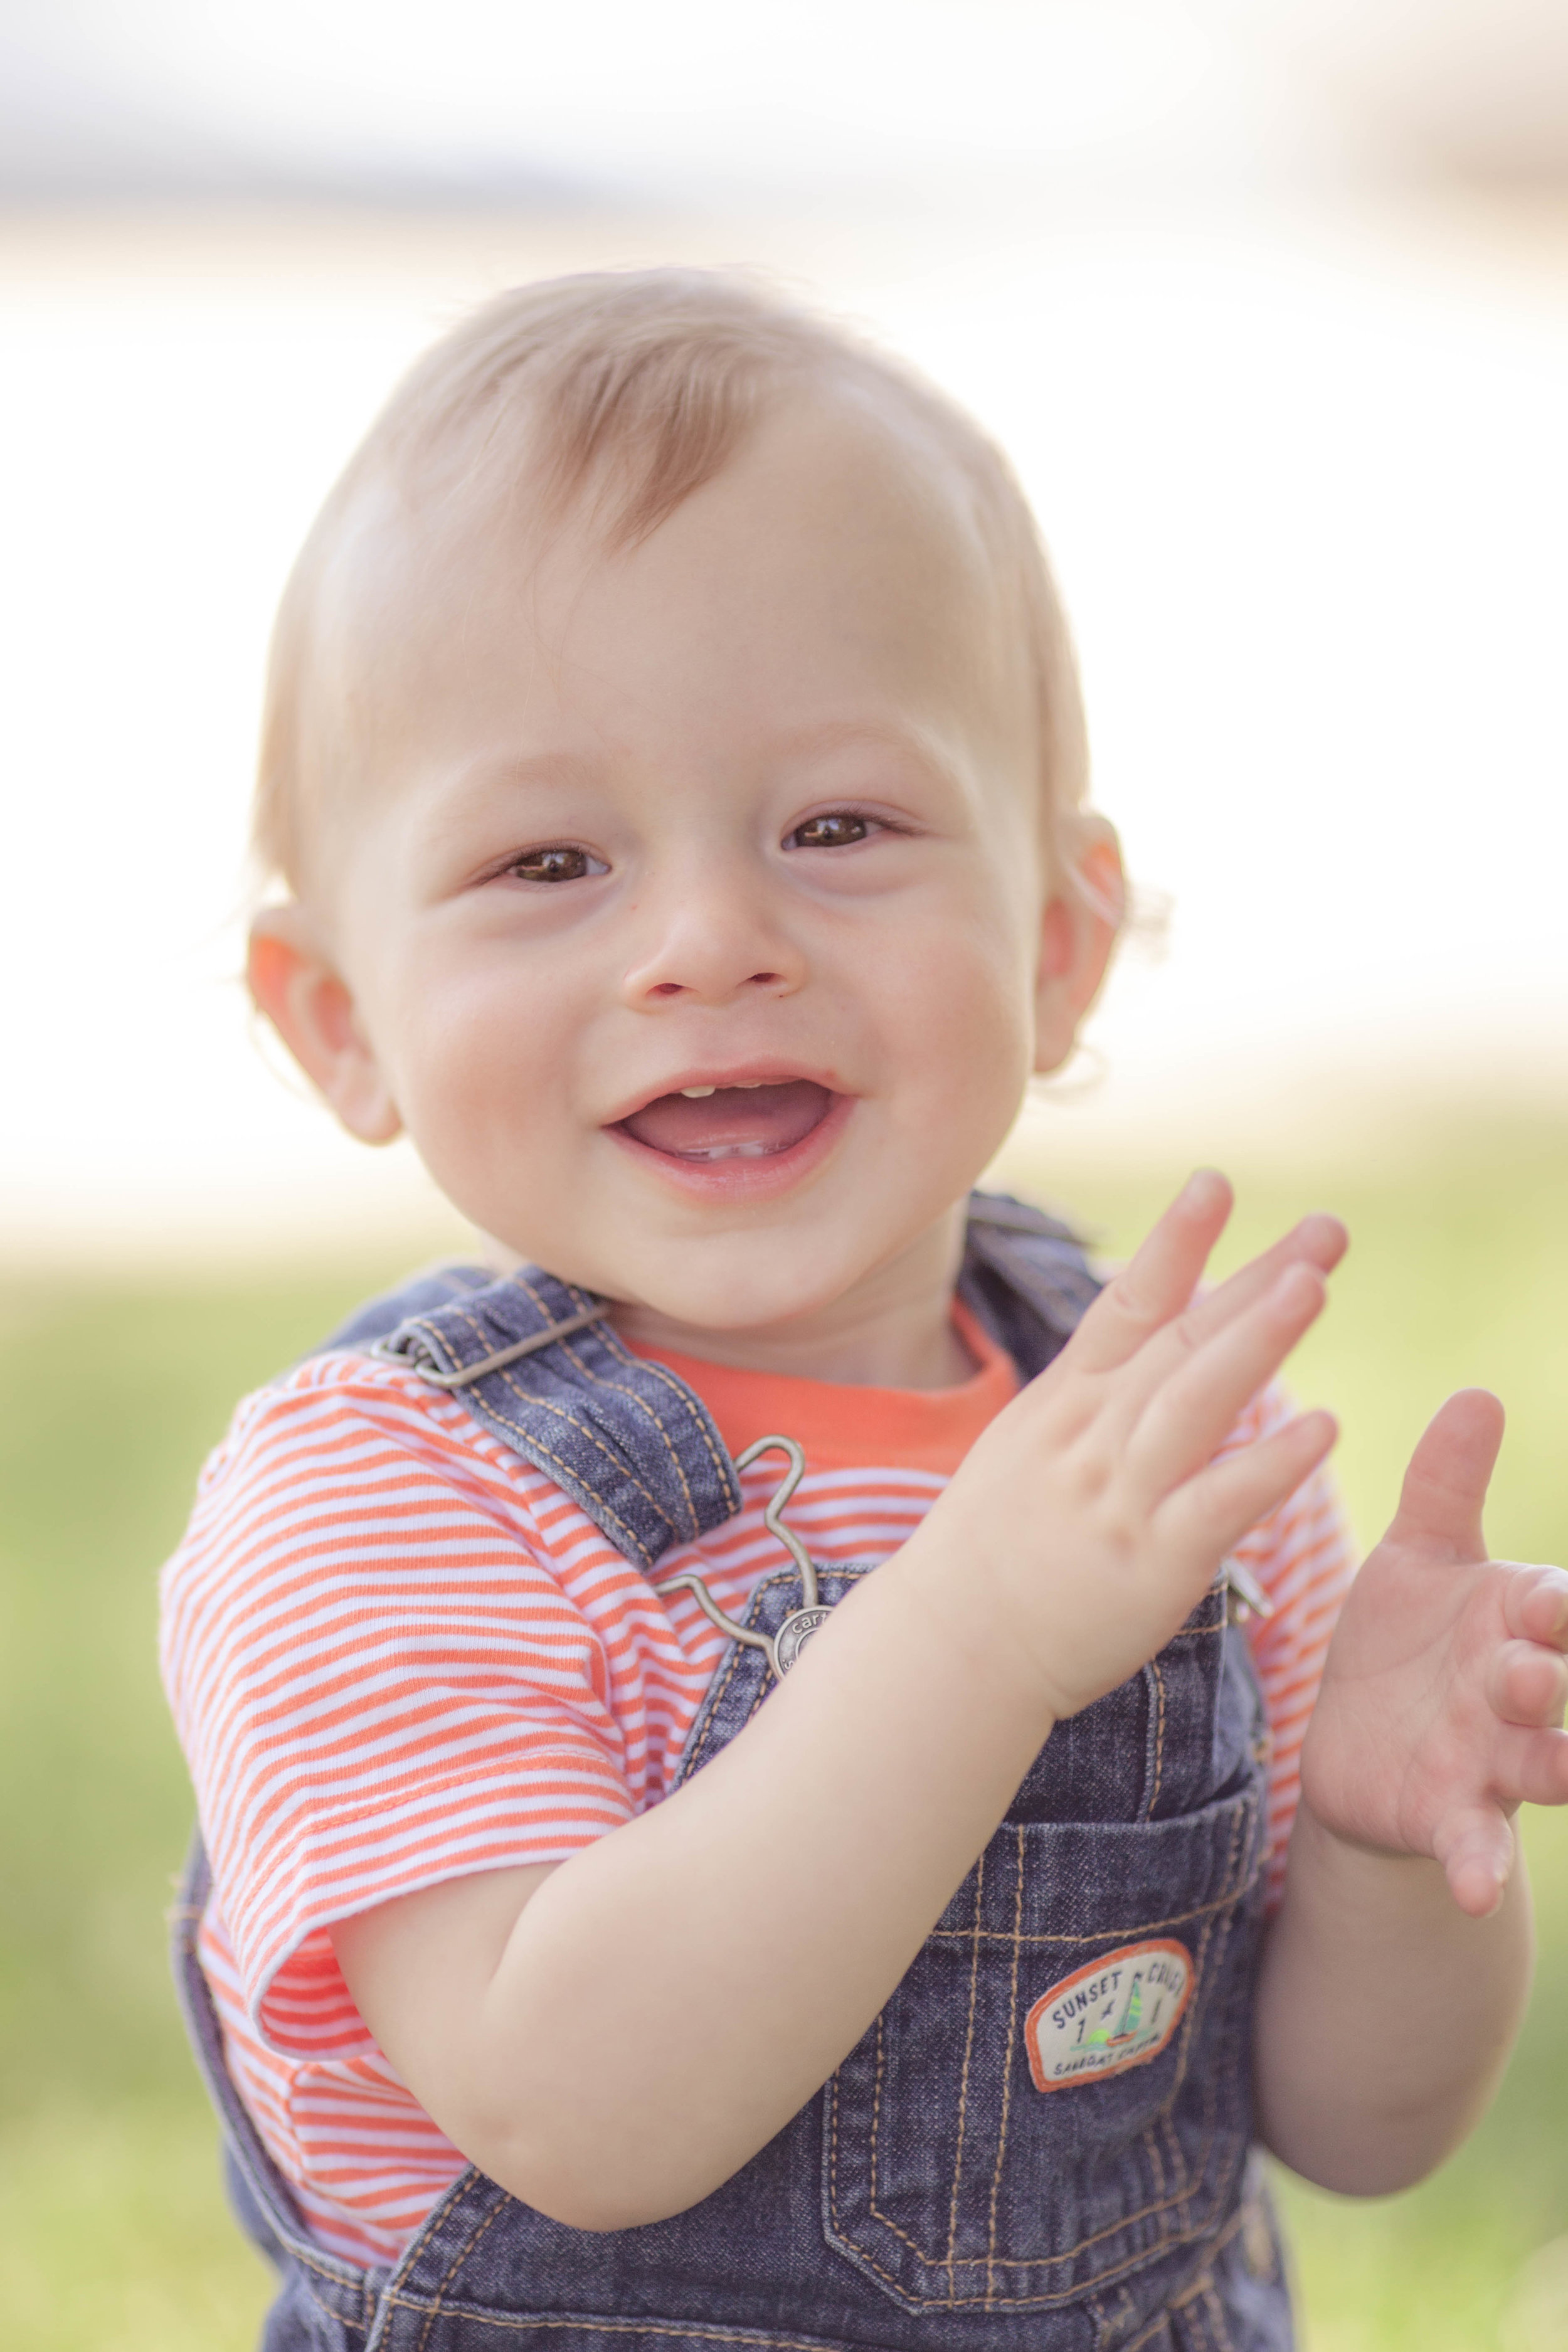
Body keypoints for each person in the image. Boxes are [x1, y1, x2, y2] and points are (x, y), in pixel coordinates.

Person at [160, 272, 1568, 2352]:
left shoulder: (1148, 1446)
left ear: (1060, 943)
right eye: (549, 861)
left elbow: (1350, 2130)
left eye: (839, 827)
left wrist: (1375, 1844)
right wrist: (979, 1633)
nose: (711, 940)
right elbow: (578, 2110)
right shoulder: (379, 1507)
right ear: (343, 1022)